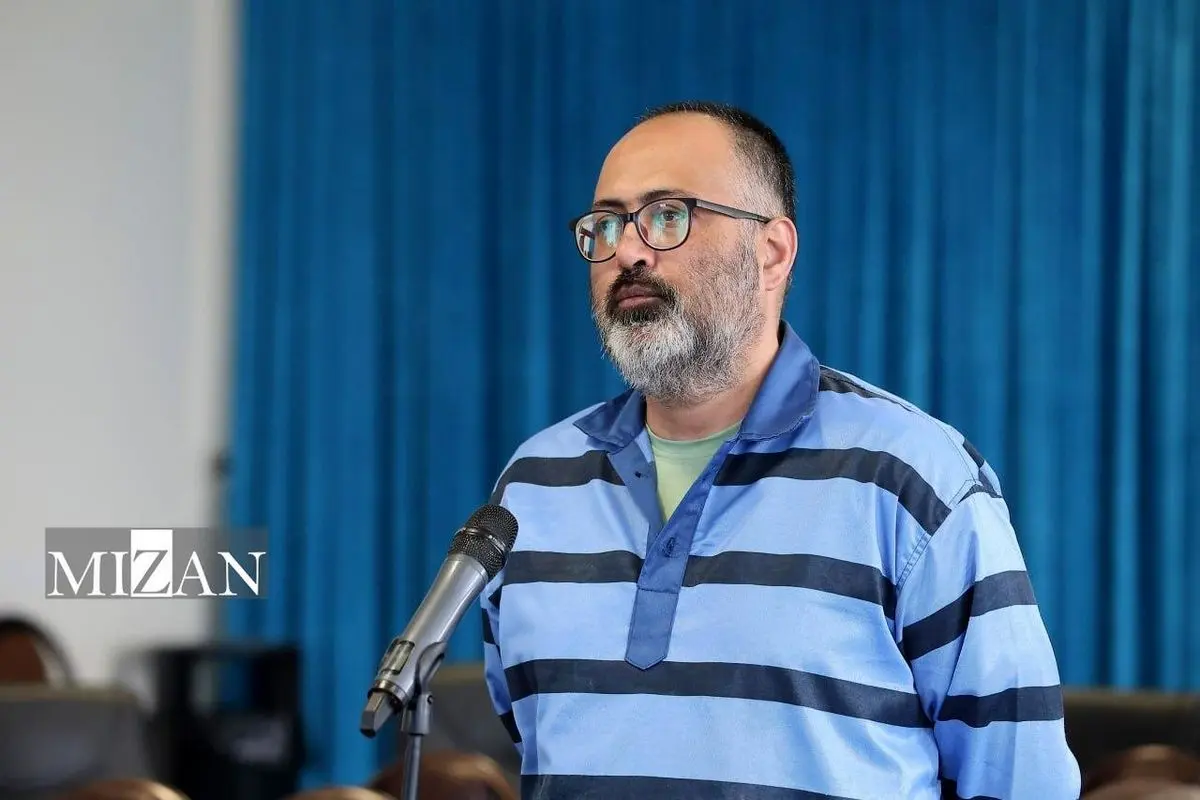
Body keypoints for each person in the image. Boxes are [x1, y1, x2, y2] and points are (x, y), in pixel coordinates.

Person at [480, 100, 1082, 800]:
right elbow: (534, 735)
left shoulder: (913, 479)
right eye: (607, 225)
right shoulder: (533, 485)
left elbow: (1021, 778)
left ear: (771, 251)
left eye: (668, 216)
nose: (629, 252)